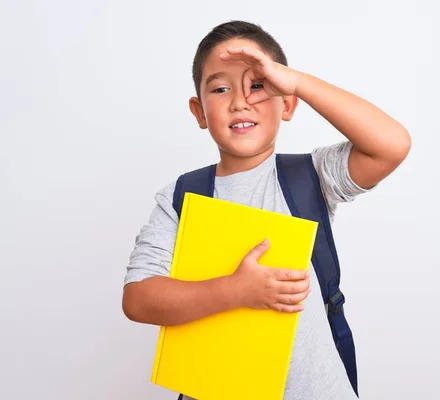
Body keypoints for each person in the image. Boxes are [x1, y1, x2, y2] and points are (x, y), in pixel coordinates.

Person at [122, 20, 411, 400]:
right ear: (199, 112)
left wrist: (297, 82)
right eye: (221, 88)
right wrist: (234, 291)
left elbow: (391, 145)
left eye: (258, 85)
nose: (240, 101)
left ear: (287, 103)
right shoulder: (181, 197)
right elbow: (138, 298)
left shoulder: (311, 177)